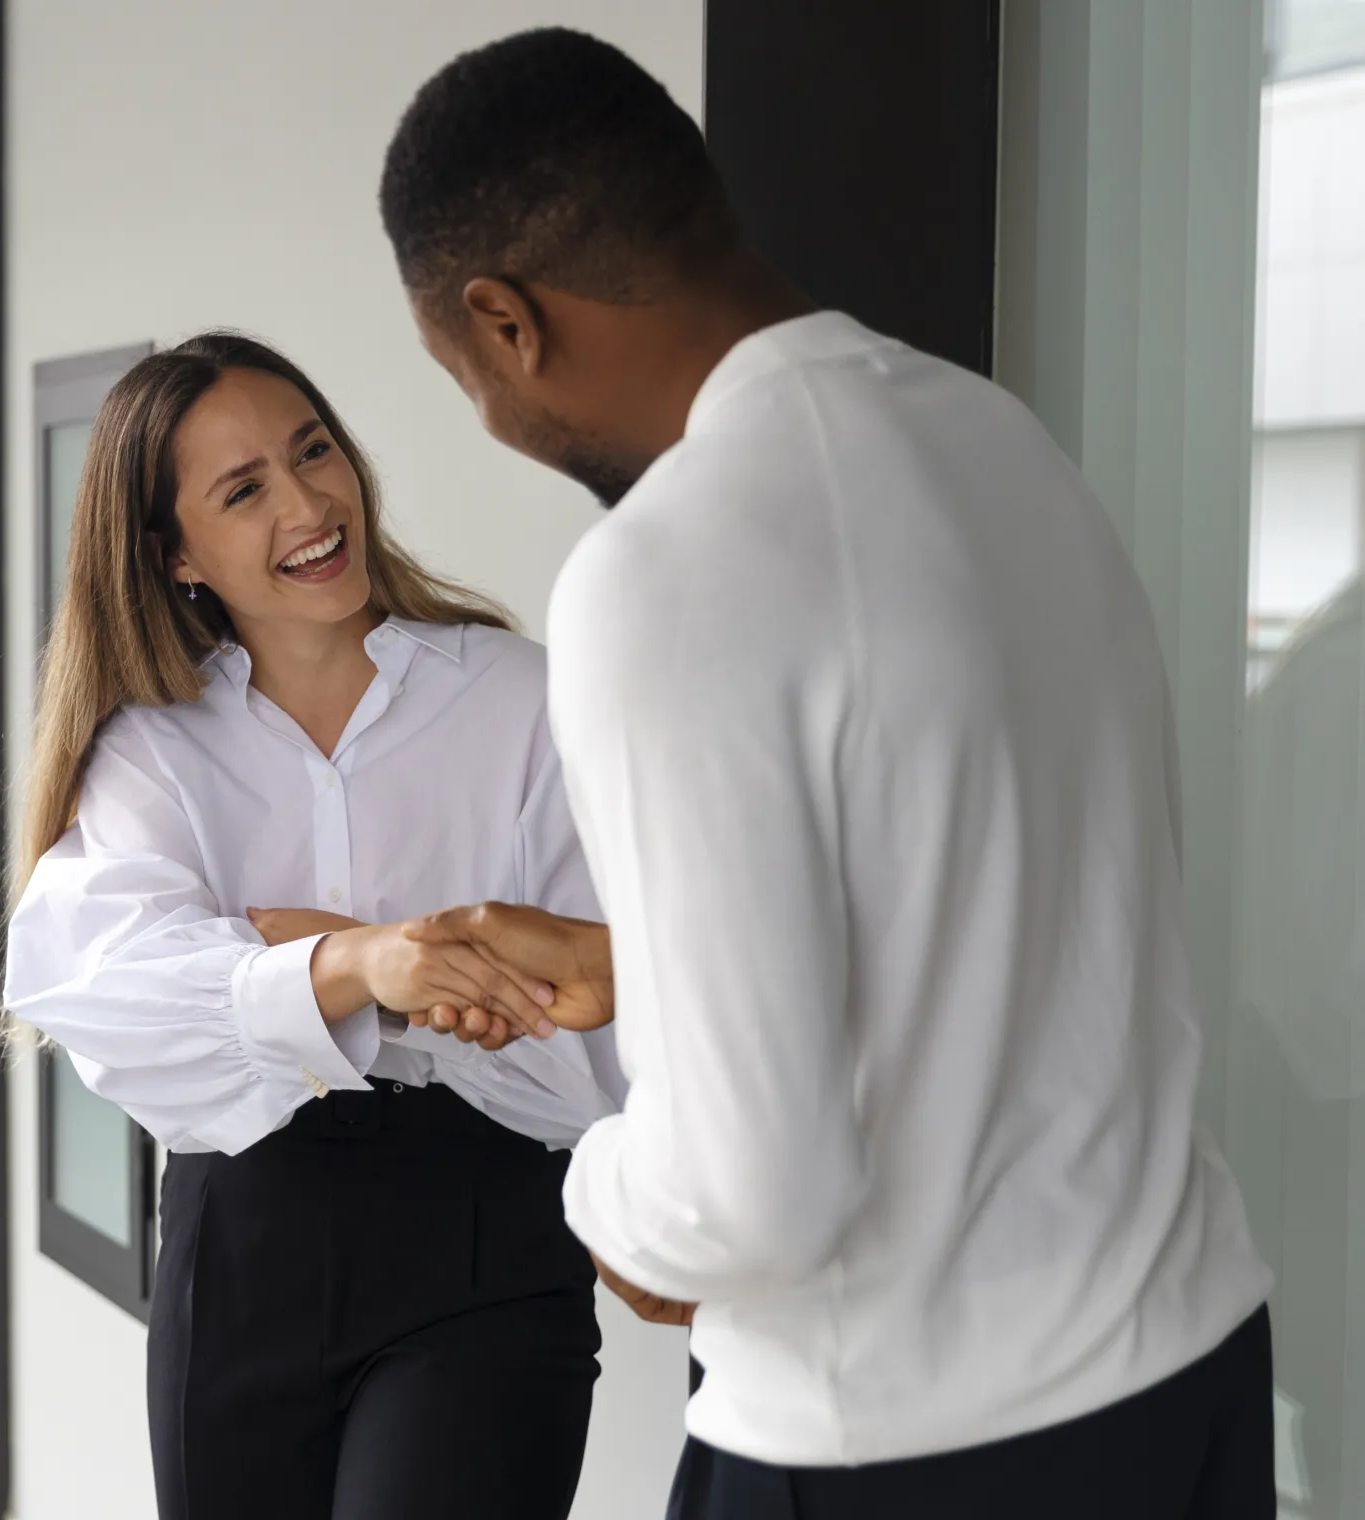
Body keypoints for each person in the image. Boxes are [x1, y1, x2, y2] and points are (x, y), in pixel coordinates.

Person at [377, 28, 1276, 1520]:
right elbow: (994, 908)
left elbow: (748, 1197)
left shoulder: (660, 572)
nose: (492, 416)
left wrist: (607, 1187)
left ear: (503, 320)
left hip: (909, 1446)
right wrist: (641, 974)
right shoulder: (1003, 444)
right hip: (1182, 1368)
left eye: (463, 375)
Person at [4, 332, 622, 1520]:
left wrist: (290, 963)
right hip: (239, 1250)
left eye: (313, 450)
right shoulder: (152, 750)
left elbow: (596, 1009)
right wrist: (359, 961)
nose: (308, 503)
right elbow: (99, 995)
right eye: (245, 490)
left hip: (483, 1235)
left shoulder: (517, 699)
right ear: (174, 552)